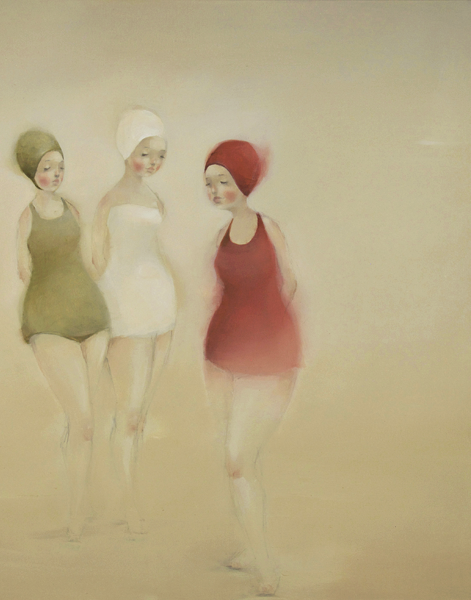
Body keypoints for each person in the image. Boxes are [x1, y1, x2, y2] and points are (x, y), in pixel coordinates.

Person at [203, 140, 301, 596]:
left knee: (239, 460)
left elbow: (290, 282)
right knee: (235, 461)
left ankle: (264, 565)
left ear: (243, 181)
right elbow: (219, 293)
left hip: (268, 358)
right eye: (209, 183)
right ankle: (248, 545)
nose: (215, 190)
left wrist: (266, 329)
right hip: (222, 357)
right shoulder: (219, 236)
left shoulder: (269, 228)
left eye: (222, 181)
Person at [15, 129, 110, 541]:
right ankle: (75, 514)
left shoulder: (73, 209)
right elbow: (24, 271)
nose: (55, 174)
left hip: (92, 316)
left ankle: (81, 506)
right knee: (82, 419)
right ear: (31, 172)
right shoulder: (27, 217)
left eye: (59, 166)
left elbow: (91, 263)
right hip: (49, 322)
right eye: (46, 167)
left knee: (90, 422)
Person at [92, 109, 176, 534]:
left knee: (141, 414)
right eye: (146, 153)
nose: (154, 162)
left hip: (161, 304)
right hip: (123, 306)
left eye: (160, 155)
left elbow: (153, 250)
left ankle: (131, 494)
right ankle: (128, 502)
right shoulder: (109, 201)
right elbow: (96, 260)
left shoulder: (156, 200)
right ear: (127, 151)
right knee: (127, 412)